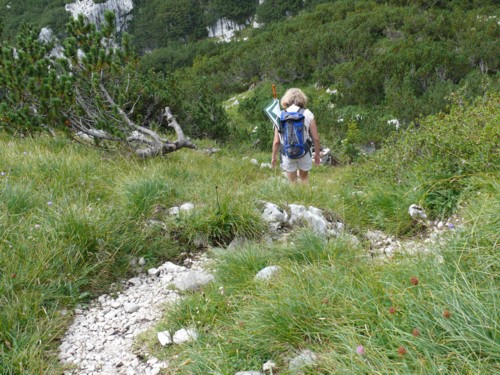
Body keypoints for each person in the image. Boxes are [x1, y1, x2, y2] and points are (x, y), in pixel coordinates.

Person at [271, 88, 321, 183]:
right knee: (304, 179)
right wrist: (317, 155)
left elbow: (276, 141)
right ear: (302, 98)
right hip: (304, 152)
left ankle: (295, 198)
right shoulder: (307, 113)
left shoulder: (280, 115)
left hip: (287, 153)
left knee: (292, 182)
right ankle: (305, 197)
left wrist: (273, 157)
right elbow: (316, 139)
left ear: (286, 99)